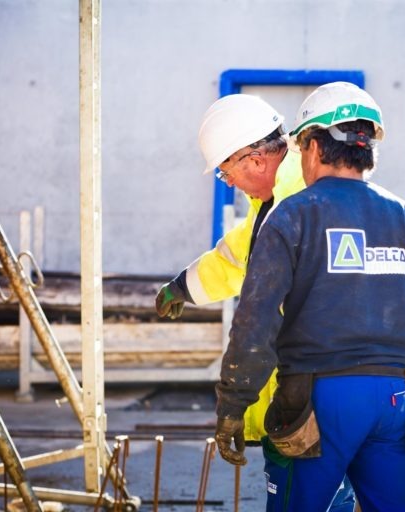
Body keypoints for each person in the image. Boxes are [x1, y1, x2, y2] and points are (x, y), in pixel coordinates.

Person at [213, 82, 405, 511]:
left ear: (314, 148)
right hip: (397, 403)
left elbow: (255, 320)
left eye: (300, 149)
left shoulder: (291, 215)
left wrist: (232, 403)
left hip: (319, 402)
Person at [155, 93, 356, 510]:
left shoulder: (296, 204)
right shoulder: (276, 202)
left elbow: (260, 318)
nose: (228, 184)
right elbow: (236, 257)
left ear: (255, 160)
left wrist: (233, 401)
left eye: (226, 173)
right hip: (328, 392)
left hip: (308, 396)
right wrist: (184, 286)